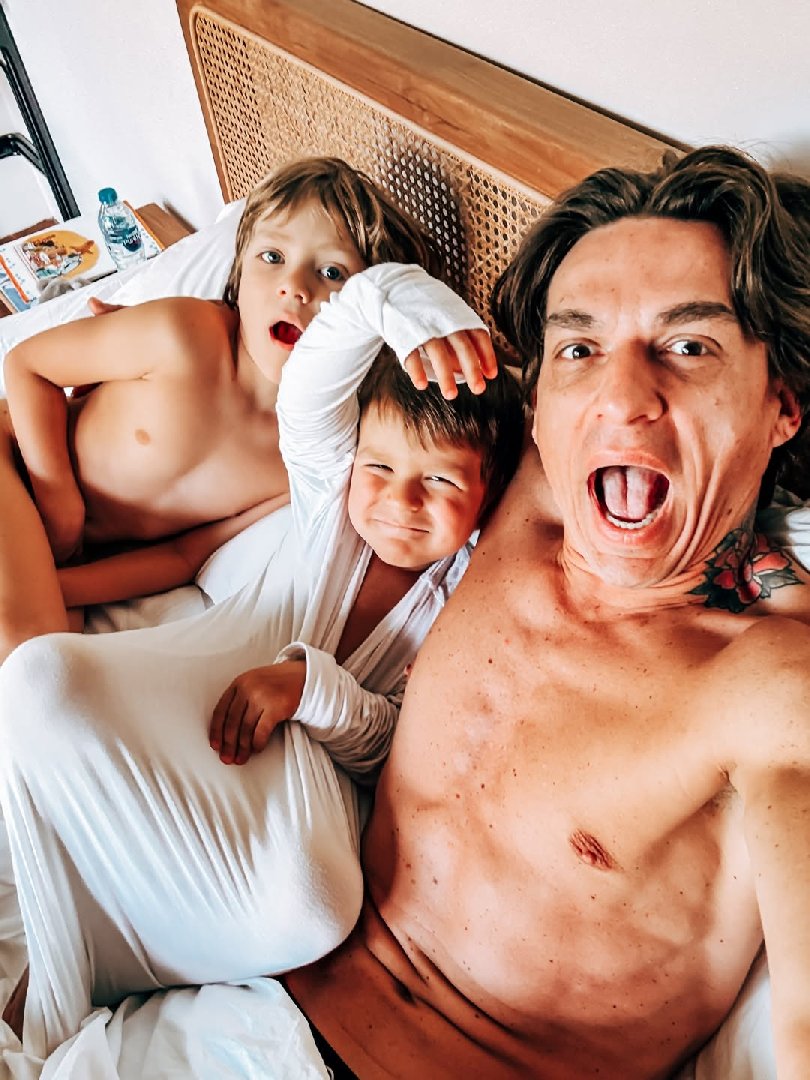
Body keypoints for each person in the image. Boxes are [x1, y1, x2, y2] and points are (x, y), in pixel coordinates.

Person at [275, 146, 810, 1080]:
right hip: (242, 997)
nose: (620, 398)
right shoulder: (529, 486)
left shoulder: (770, 690)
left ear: (783, 404)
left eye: (689, 346)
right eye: (579, 348)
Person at [0, 262, 523, 1058]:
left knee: (317, 906)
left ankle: (111, 962)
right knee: (39, 678)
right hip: (207, 699)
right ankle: (82, 942)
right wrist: (411, 303)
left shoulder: (466, 601)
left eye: (441, 481)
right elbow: (316, 378)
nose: (399, 501)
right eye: (380, 467)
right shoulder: (323, 499)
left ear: (489, 497)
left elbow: (392, 742)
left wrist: (309, 688)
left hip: (299, 783)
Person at [0, 156, 438, 658]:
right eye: (272, 257)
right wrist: (60, 505)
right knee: (22, 642)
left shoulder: (305, 457)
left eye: (332, 272)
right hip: (18, 462)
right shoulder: (185, 336)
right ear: (240, 271)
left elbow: (184, 555)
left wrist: (59, 584)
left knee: (46, 667)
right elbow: (27, 366)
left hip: (75, 554)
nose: (295, 286)